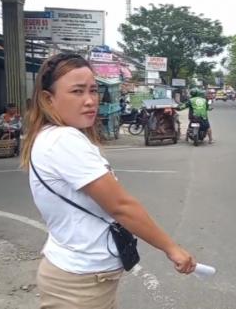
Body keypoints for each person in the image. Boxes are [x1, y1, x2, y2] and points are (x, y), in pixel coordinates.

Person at [20, 53, 195, 309]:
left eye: (93, 90)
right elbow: (120, 206)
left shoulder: (54, 136)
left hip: (83, 278)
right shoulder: (63, 140)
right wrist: (171, 248)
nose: (90, 100)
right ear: (48, 98)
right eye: (77, 92)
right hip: (80, 287)